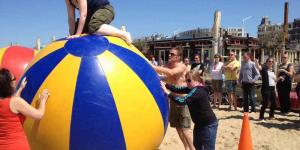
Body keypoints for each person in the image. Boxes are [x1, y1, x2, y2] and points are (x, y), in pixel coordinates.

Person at [161, 70, 218, 150]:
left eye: (189, 80)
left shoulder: (197, 91)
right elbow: (178, 89)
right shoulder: (192, 88)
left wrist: (168, 93)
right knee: (197, 146)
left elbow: (182, 101)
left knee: (208, 148)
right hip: (199, 124)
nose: (187, 82)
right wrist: (165, 85)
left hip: (208, 125)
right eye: (186, 80)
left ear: (196, 80)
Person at [152, 47, 195, 150]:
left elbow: (171, 73)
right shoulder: (166, 66)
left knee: (186, 130)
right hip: (173, 100)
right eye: (169, 53)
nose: (169, 55)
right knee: (178, 128)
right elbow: (164, 76)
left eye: (172, 54)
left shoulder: (182, 66)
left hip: (183, 101)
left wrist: (152, 66)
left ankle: (193, 149)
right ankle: (186, 147)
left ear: (178, 57)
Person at [0, 68, 50, 150]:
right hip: (17, 146)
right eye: (14, 79)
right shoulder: (15, 102)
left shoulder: (11, 102)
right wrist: (43, 101)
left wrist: (20, 89)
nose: (16, 81)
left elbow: (10, 104)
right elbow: (39, 115)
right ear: (8, 84)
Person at [65, 0, 132, 44]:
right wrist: (72, 34)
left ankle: (124, 34)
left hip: (105, 9)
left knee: (93, 26)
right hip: (91, 16)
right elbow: (71, 18)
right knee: (78, 29)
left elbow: (83, 15)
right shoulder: (68, 0)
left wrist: (77, 34)